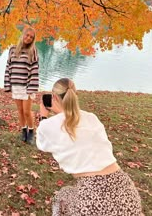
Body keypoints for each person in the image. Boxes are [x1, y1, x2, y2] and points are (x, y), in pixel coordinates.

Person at [36, 78, 142, 215]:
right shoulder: (92, 118)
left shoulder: (49, 125)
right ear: (75, 95)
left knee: (61, 198)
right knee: (67, 193)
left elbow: (42, 144)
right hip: (126, 191)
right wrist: (61, 114)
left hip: (91, 198)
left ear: (54, 97)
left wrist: (44, 117)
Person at [4, 27, 39, 145]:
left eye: (31, 37)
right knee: (20, 111)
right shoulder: (12, 49)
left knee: (27, 111)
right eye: (27, 35)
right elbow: (8, 67)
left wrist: (31, 88)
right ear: (23, 34)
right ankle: (23, 130)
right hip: (16, 85)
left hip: (26, 86)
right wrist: (7, 84)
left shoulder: (33, 51)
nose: (28, 38)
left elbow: (34, 70)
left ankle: (31, 131)